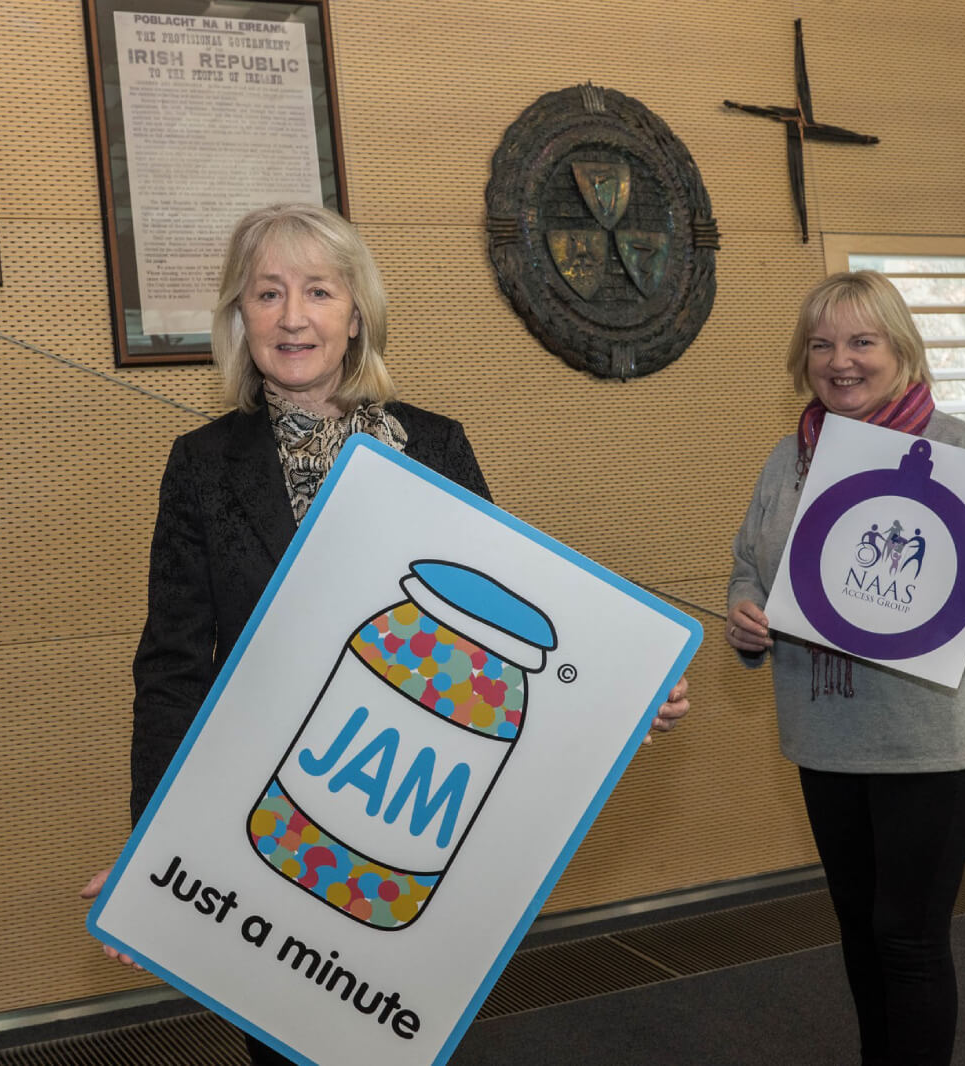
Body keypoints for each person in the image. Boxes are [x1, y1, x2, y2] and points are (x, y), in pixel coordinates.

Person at [81, 202, 690, 1065]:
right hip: (270, 827)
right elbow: (173, 670)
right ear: (239, 317)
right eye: (267, 294)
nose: (294, 316)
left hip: (416, 833)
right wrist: (154, 842)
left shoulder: (437, 447)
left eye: (319, 291)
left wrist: (626, 696)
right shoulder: (202, 464)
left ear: (355, 312)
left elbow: (501, 628)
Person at [726, 270, 965, 1066]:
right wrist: (746, 616)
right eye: (821, 344)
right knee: (859, 933)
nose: (839, 361)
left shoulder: (956, 450)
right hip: (824, 739)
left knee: (906, 940)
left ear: (901, 352)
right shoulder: (788, 459)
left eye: (861, 341)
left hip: (930, 746)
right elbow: (750, 567)